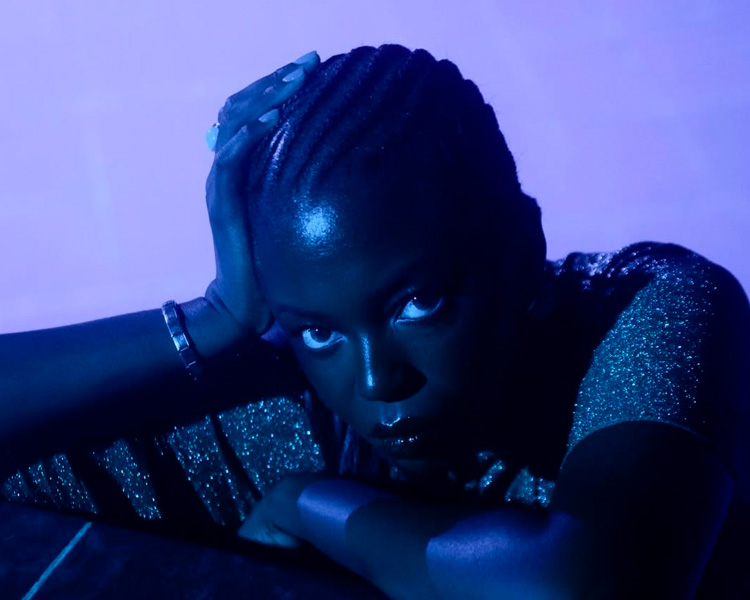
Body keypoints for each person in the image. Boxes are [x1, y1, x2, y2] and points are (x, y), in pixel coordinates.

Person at [0, 44, 748, 599]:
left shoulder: (652, 306)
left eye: (417, 304)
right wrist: (214, 318)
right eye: (319, 331)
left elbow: (580, 588)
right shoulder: (289, 399)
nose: (375, 379)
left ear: (523, 251)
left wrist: (309, 505)